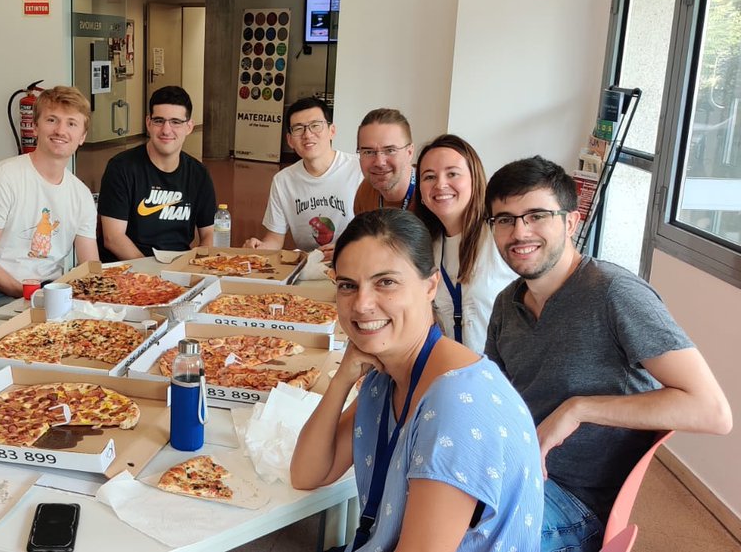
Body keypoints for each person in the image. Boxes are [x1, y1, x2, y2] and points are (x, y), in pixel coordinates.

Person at [483, 156, 732, 552]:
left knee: (456, 537)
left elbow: (712, 411)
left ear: (570, 222)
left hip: (577, 502)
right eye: (504, 220)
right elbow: (496, 401)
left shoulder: (614, 293)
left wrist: (578, 408)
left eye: (536, 215)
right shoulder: (506, 304)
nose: (520, 231)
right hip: (518, 474)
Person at [291, 209, 542, 552]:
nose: (362, 305)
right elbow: (307, 474)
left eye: (386, 282)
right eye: (348, 286)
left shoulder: (457, 402)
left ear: (430, 286)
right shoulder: (385, 377)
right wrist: (342, 379)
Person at [0, 85, 98, 317]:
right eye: (52, 120)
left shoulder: (81, 194)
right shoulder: (4, 176)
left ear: (82, 137)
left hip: (50, 292)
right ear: (36, 126)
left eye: (71, 123)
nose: (61, 130)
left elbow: (90, 267)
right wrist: (29, 294)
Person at [411, 134, 515, 352]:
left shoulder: (502, 234)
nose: (440, 184)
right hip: (454, 372)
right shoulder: (427, 244)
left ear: (474, 180)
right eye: (429, 177)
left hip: (504, 376)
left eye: (452, 174)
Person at [98, 85, 216, 261]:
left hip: (178, 267)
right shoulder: (121, 168)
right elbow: (113, 238)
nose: (166, 130)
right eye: (159, 121)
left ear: (189, 127)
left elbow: (209, 233)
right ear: (148, 123)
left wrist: (194, 266)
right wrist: (154, 276)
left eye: (175, 122)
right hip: (129, 271)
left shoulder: (199, 174)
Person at [243, 96, 363, 260]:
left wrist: (346, 250)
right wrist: (259, 249)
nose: (308, 134)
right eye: (298, 129)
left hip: (353, 260)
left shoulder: (358, 169)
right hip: (308, 264)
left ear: (332, 131)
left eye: (315, 126)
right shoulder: (283, 181)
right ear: (290, 140)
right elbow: (275, 239)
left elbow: (376, 235)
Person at [352, 108, 418, 214]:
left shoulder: (430, 195)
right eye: (369, 152)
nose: (379, 162)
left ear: (409, 153)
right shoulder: (366, 191)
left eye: (390, 150)